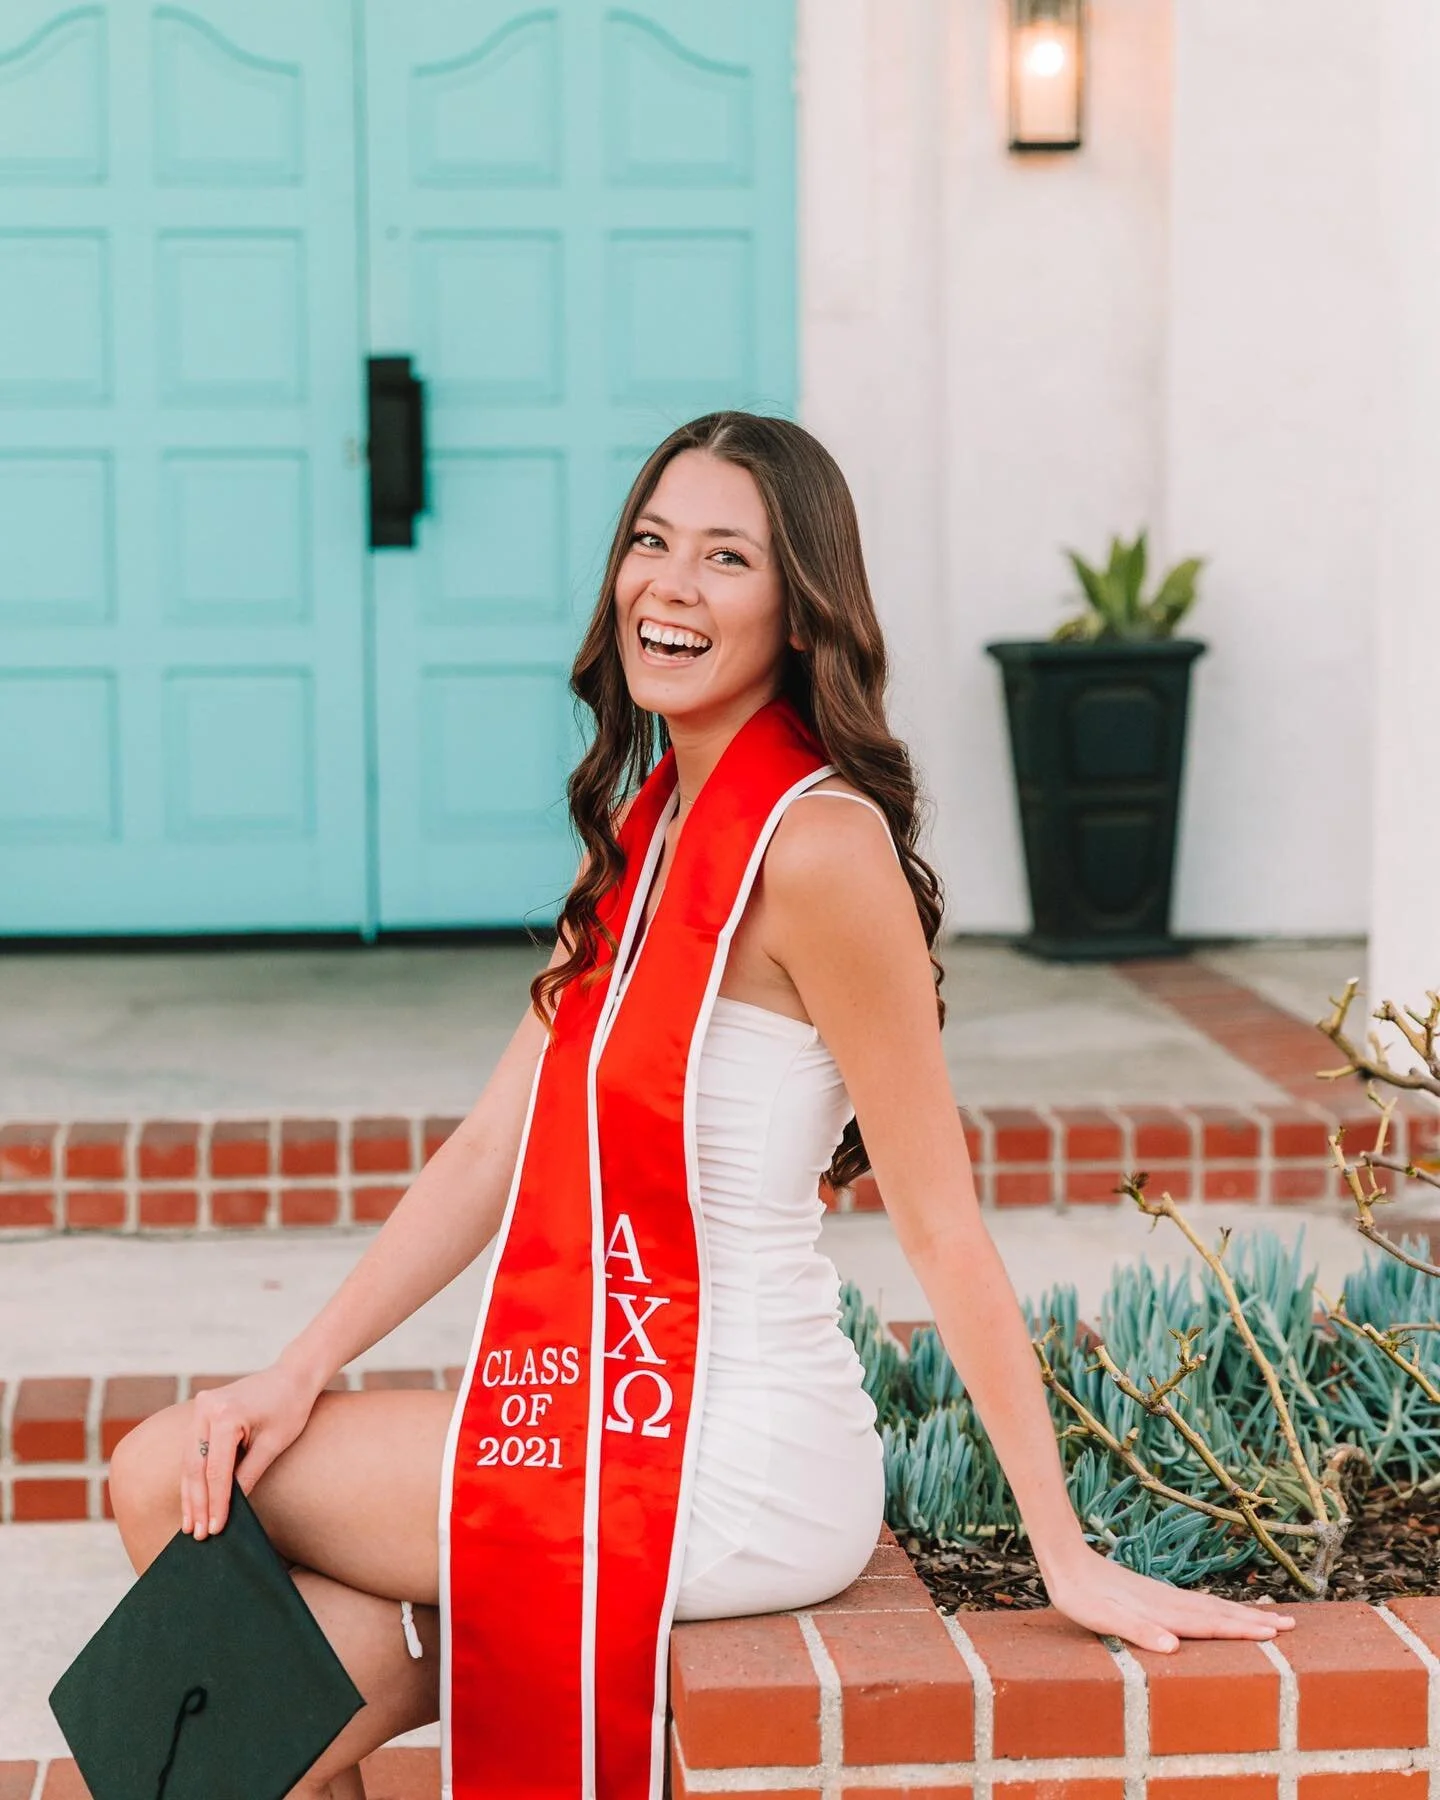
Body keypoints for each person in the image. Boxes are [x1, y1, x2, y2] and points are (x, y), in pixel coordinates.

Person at [109, 412, 1293, 1800]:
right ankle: (357, 1697)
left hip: (737, 1452)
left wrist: (1065, 1551)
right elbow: (494, 1149)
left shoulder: (822, 849)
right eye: (652, 542)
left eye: (726, 557)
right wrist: (296, 1370)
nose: (668, 585)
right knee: (263, 1601)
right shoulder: (647, 827)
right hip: (601, 1396)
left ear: (801, 613)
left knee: (163, 1490)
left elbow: (944, 1229)